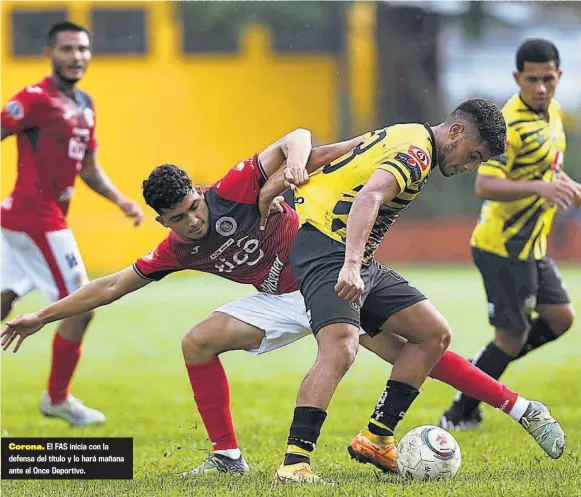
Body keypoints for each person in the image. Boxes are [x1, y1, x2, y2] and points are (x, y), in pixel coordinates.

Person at [2, 127, 564, 479]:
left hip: (319, 274)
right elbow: (109, 286)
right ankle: (226, 455)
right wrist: (40, 315)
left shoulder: (234, 188)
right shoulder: (175, 249)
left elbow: (297, 136)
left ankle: (516, 407)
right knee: (195, 342)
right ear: (164, 221)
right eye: (179, 219)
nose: (194, 222)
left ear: (200, 193)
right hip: (280, 297)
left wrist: (294, 165)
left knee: (413, 348)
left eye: (195, 208)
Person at [268, 98, 563, 484]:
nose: (468, 167)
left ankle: (377, 436)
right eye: (472, 155)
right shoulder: (417, 155)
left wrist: (272, 190)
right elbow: (369, 197)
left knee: (433, 333)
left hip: (346, 252)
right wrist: (352, 265)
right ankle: (294, 464)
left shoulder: (406, 132)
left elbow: (329, 154)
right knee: (341, 347)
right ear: (455, 132)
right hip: (328, 247)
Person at [0, 21, 143, 426]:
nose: (76, 56)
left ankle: (58, 397)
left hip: (30, 220)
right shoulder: (34, 98)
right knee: (82, 304)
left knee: (4, 301)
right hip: (35, 217)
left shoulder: (84, 104)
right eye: (67, 49)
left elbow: (88, 167)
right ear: (49, 53)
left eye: (82, 48)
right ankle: (57, 398)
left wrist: (120, 200)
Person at [441, 39, 581, 431]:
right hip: (501, 246)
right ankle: (460, 411)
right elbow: (484, 185)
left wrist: (562, 183)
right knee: (512, 336)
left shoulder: (552, 113)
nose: (540, 87)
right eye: (532, 79)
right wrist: (541, 188)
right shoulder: (509, 124)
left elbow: (543, 169)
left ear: (559, 77)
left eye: (547, 79)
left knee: (560, 319)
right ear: (517, 78)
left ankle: (479, 371)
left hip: (532, 246)